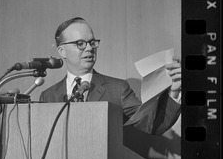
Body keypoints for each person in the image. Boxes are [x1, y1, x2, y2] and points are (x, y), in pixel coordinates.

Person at [39, 17, 181, 135]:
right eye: (80, 43)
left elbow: (150, 124)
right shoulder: (48, 96)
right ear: (62, 51)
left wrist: (174, 91)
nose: (89, 48)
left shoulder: (118, 89)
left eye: (92, 42)